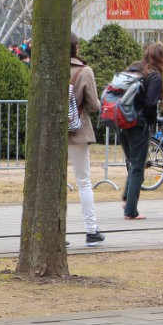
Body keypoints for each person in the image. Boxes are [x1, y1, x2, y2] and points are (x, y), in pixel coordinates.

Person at [120, 42, 163, 221]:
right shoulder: (154, 76)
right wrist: (152, 122)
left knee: (133, 162)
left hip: (120, 120)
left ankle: (126, 198)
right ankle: (131, 211)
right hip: (137, 123)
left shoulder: (134, 68)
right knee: (138, 166)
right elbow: (151, 104)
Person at [68, 32, 105, 245]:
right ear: (76, 48)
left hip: (53, 133)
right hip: (77, 131)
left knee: (56, 183)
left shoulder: (51, 67)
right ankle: (91, 230)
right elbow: (92, 105)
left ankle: (55, 232)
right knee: (83, 181)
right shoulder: (84, 71)